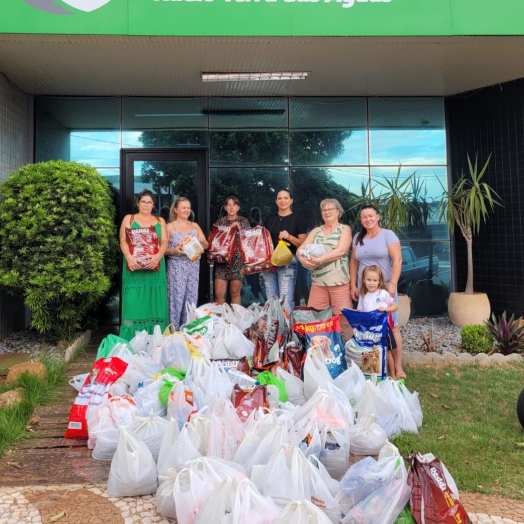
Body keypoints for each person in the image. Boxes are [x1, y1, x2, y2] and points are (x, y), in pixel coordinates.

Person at [349, 204, 405, 380]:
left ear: (378, 216)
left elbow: (397, 260)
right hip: (365, 291)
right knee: (367, 327)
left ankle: (398, 367)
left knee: (391, 327)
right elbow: (353, 263)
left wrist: (393, 284)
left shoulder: (388, 235)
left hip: (385, 289)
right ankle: (371, 364)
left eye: (371, 216)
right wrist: (353, 285)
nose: (368, 219)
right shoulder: (358, 237)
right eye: (364, 217)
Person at [119, 189, 169, 341]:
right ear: (138, 203)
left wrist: (157, 257)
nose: (146, 205)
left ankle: (156, 340)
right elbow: (123, 240)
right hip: (133, 267)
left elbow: (165, 241)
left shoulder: (160, 221)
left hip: (154, 267)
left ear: (153, 204)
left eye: (149, 202)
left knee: (154, 302)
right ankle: (130, 340)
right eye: (143, 202)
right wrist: (129, 257)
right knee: (132, 302)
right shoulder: (129, 218)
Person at [297, 198, 352, 334]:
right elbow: (300, 250)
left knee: (344, 320)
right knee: (316, 319)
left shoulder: (344, 229)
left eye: (330, 209)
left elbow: (341, 251)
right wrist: (303, 260)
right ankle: (321, 352)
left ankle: (347, 351)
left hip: (339, 282)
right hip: (318, 284)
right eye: (324, 210)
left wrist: (319, 260)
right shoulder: (315, 231)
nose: (327, 212)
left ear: (338, 212)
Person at [165, 197, 208, 329]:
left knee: (191, 298)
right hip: (176, 267)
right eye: (183, 207)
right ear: (176, 210)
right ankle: (173, 330)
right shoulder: (169, 227)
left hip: (193, 267)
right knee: (176, 299)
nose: (186, 210)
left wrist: (197, 240)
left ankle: (187, 329)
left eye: (188, 208)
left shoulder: (194, 226)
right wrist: (174, 251)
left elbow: (206, 245)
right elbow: (163, 249)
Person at [263, 189, 307, 312]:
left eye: (286, 198)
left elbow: (303, 243)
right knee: (271, 298)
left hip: (288, 261)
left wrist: (289, 237)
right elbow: (263, 240)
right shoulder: (269, 219)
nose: (283, 201)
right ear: (276, 201)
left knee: (286, 299)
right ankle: (274, 328)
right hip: (270, 262)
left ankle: (286, 329)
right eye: (280, 198)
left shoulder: (298, 219)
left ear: (291, 200)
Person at [357, 264, 399, 379]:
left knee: (387, 351)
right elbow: (360, 311)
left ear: (379, 281)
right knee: (369, 351)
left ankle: (393, 376)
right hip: (369, 330)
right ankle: (371, 374)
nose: (371, 283)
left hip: (383, 327)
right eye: (369, 280)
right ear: (364, 280)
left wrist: (385, 309)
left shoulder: (383, 294)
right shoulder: (363, 295)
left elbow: (395, 307)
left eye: (374, 280)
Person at [212, 196, 250, 305]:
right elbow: (215, 241)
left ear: (238, 207)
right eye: (229, 205)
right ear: (225, 207)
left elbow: (249, 241)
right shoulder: (220, 222)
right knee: (219, 293)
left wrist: (240, 229)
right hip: (222, 261)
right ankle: (220, 320)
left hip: (237, 261)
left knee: (235, 293)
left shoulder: (243, 221)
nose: (231, 207)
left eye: (234, 205)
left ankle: (235, 320)